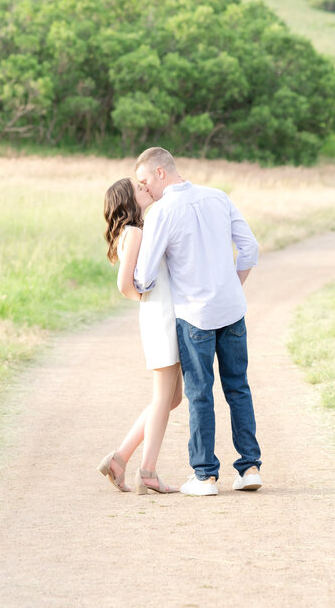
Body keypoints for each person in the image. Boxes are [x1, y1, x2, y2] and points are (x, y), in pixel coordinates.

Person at [134, 146, 262, 497]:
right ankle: (249, 467)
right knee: (238, 387)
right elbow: (250, 248)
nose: (145, 189)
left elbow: (144, 276)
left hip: (195, 316)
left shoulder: (161, 212)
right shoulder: (218, 197)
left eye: (145, 180)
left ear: (161, 172)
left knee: (199, 393)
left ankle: (205, 476)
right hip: (232, 309)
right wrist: (231, 288)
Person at [97, 178, 182, 495]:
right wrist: (147, 301)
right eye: (137, 186)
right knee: (163, 397)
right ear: (127, 199)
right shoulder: (133, 233)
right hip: (160, 317)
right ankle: (148, 472)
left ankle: (119, 459)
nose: (144, 186)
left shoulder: (136, 230)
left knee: (173, 398)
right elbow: (124, 284)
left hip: (160, 315)